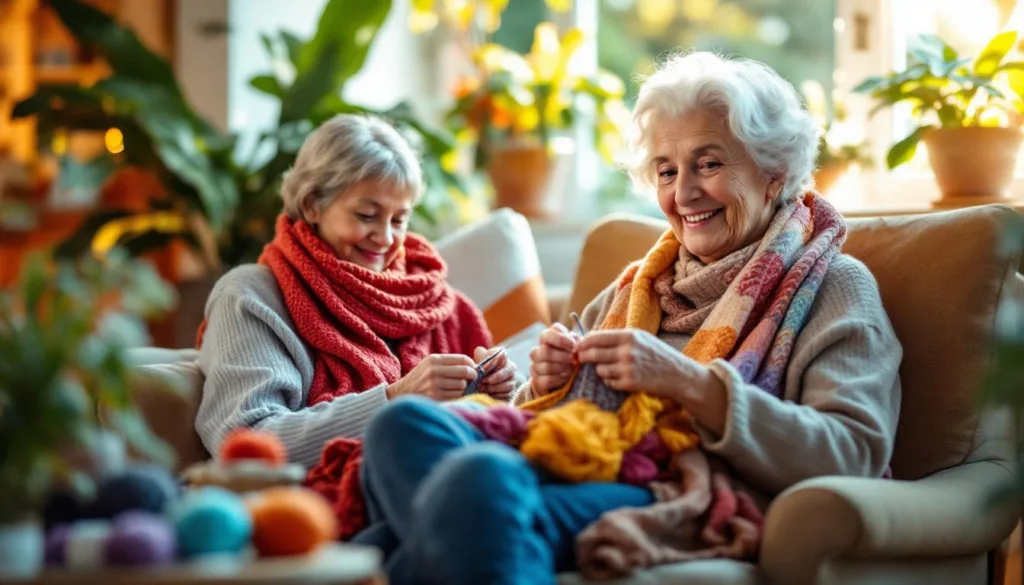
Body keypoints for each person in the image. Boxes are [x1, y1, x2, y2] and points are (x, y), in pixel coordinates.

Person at [356, 51, 903, 584]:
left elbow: (851, 452)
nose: (683, 192)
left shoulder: (832, 285)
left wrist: (688, 381)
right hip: (584, 459)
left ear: (774, 174)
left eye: (708, 164)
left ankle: (421, 549)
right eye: (667, 170)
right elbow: (555, 418)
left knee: (474, 485)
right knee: (401, 425)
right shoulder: (640, 283)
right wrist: (545, 383)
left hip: (685, 485)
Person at [194, 114, 517, 467]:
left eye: (399, 220)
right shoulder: (250, 296)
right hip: (325, 505)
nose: (386, 238)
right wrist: (393, 399)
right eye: (366, 215)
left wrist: (500, 391)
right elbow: (247, 443)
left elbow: (485, 428)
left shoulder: (434, 300)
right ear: (312, 204)